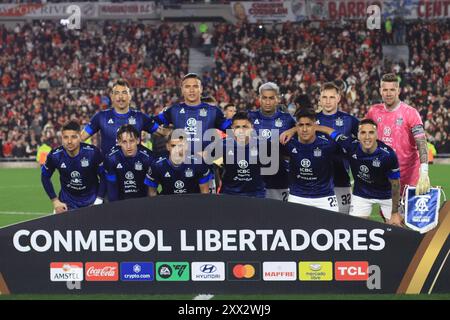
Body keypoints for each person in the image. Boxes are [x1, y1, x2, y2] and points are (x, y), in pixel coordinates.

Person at [315, 119, 403, 226]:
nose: (367, 137)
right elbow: (332, 132)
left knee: (398, 227)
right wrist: (314, 127)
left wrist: (394, 212)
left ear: (377, 135)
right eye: (363, 132)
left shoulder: (388, 155)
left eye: (371, 132)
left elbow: (396, 184)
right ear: (358, 135)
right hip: (362, 194)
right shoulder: (351, 145)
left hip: (386, 195)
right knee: (355, 227)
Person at [366, 73, 430, 197]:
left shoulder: (410, 113)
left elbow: (422, 143)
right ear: (380, 91)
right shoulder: (373, 111)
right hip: (385, 178)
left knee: (410, 216)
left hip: (410, 179)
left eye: (392, 90)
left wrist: (424, 171)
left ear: (398, 91)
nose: (388, 93)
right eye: (385, 90)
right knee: (389, 216)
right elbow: (364, 135)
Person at [281, 108, 340, 212]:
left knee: (330, 228)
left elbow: (343, 140)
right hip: (297, 197)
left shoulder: (328, 144)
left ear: (315, 126)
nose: (304, 129)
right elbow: (267, 150)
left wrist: (323, 129)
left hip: (324, 198)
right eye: (301, 125)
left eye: (308, 125)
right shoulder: (288, 143)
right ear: (296, 126)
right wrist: (291, 130)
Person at [41, 121, 105, 213]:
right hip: (66, 204)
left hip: (92, 202)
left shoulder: (92, 153)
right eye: (66, 137)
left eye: (74, 137)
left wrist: (98, 200)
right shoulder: (55, 155)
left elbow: (104, 176)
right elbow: (45, 176)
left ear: (79, 137)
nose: (69, 141)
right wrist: (55, 201)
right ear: (61, 138)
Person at [81, 78, 158, 155]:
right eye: (117, 93)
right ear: (112, 97)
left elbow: (161, 132)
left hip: (134, 166)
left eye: (124, 92)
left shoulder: (140, 117)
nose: (120, 96)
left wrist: (166, 116)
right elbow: (80, 138)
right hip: (108, 166)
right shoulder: (101, 117)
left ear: (130, 96)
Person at [315, 82, 359, 214]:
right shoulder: (310, 121)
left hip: (342, 180)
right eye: (324, 97)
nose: (328, 101)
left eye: (332, 97)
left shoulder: (350, 120)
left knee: (344, 222)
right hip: (316, 182)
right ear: (320, 99)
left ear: (338, 98)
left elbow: (363, 144)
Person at [248, 82, 296, 201]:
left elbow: (305, 130)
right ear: (259, 99)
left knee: (280, 215)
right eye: (264, 98)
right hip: (255, 176)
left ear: (277, 99)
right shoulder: (249, 117)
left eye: (271, 98)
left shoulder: (287, 119)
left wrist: (294, 130)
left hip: (280, 178)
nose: (268, 102)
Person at [216, 111, 268, 198]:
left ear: (252, 128)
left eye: (245, 127)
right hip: (229, 194)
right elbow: (215, 167)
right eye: (237, 127)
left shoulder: (263, 145)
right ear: (232, 129)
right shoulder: (222, 145)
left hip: (256, 195)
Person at [144, 134, 211, 196]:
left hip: (192, 203)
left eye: (180, 146)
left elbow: (205, 194)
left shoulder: (198, 162)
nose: (176, 150)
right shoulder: (157, 164)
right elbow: (152, 194)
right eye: (173, 146)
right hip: (168, 204)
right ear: (167, 146)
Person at [104, 125, 154, 201]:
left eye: (131, 141)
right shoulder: (111, 158)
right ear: (119, 142)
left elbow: (151, 189)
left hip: (143, 199)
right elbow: (112, 188)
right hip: (121, 199)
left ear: (137, 140)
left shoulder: (148, 157)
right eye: (124, 142)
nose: (128, 146)